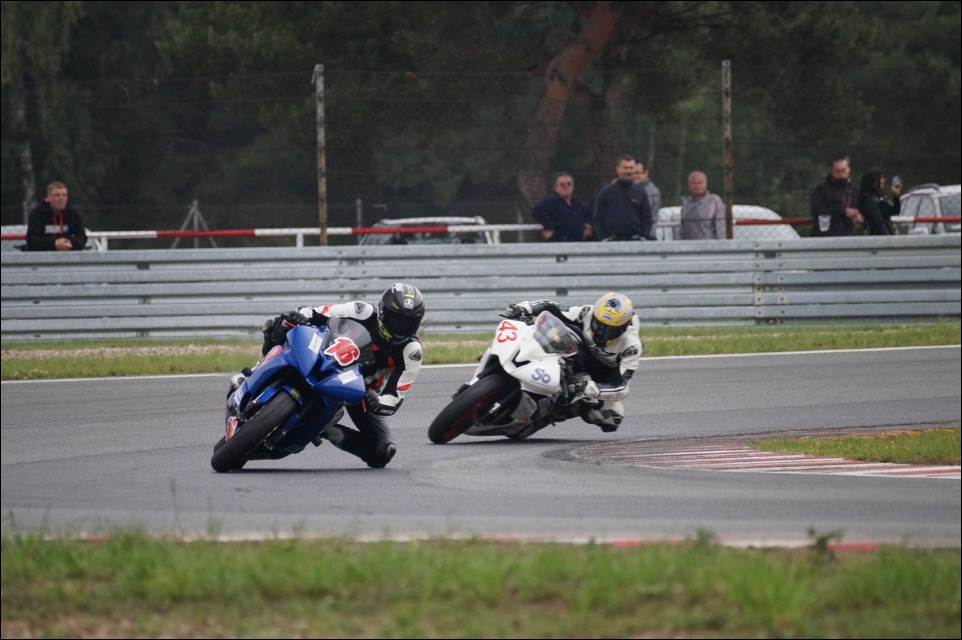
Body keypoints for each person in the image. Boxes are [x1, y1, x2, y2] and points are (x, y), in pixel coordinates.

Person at [242, 282, 426, 468]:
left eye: (408, 323)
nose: (401, 328)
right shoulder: (361, 311)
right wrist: (301, 316)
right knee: (281, 323)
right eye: (397, 320)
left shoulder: (411, 350)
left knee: (383, 451)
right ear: (382, 312)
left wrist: (377, 401)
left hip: (358, 392)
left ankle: (324, 428)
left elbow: (395, 397)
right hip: (324, 355)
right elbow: (317, 312)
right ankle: (256, 370)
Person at [503, 291, 642, 432]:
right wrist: (526, 308)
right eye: (598, 324)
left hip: (600, 374)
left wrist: (594, 388)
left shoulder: (631, 346)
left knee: (612, 417)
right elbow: (553, 308)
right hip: (573, 352)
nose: (601, 331)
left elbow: (622, 386)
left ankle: (555, 413)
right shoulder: (587, 313)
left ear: (622, 328)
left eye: (610, 330)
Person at [592, 155, 655, 241]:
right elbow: (597, 219)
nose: (628, 171)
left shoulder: (641, 192)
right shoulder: (606, 192)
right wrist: (604, 238)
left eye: (631, 168)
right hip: (612, 242)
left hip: (635, 241)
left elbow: (647, 219)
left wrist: (643, 236)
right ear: (618, 169)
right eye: (625, 168)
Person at [25, 181, 88, 251]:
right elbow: (32, 240)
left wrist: (71, 243)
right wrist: (54, 244)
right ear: (49, 198)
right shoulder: (37, 214)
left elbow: (81, 237)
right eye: (57, 195)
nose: (61, 198)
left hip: (68, 253)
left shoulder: (73, 213)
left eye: (64, 195)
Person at [530, 172, 593, 242]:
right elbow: (536, 211)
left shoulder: (577, 204)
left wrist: (588, 227)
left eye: (569, 184)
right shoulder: (551, 202)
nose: (566, 187)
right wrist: (550, 226)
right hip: (559, 244)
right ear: (555, 187)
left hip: (577, 244)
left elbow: (590, 215)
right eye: (562, 185)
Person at [810, 154, 861, 237]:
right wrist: (843, 212)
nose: (841, 174)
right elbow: (818, 211)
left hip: (848, 235)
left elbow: (862, 208)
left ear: (849, 170)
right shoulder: (822, 190)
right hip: (825, 235)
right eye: (837, 171)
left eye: (843, 170)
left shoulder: (855, 190)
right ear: (831, 171)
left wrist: (859, 215)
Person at [679, 171, 726, 240]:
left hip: (709, 243)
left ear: (706, 183)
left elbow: (720, 227)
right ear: (689, 185)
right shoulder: (686, 202)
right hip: (689, 243)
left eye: (700, 183)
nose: (697, 186)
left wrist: (721, 243)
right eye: (694, 183)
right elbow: (683, 227)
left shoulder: (714, 201)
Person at [856, 169, 900, 236]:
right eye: (880, 178)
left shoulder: (878, 198)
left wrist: (896, 196)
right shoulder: (870, 201)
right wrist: (887, 237)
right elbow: (878, 222)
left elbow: (895, 211)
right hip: (878, 236)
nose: (883, 181)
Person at [633, 159, 662, 229]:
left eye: (637, 173)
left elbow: (644, 214)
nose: (634, 176)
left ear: (646, 173)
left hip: (645, 231)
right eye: (633, 173)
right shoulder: (635, 188)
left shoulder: (650, 192)